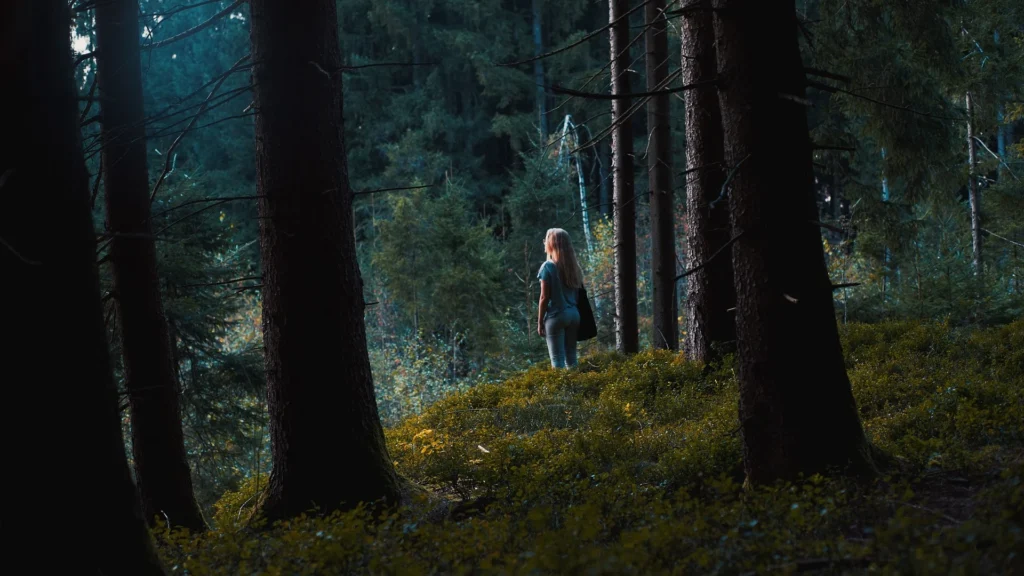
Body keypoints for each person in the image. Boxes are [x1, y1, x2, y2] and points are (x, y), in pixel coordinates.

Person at [537, 228, 584, 368]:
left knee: (557, 361)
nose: (544, 242)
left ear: (551, 244)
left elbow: (544, 297)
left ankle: (561, 384)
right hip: (574, 315)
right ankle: (576, 382)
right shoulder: (574, 267)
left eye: (546, 240)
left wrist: (540, 322)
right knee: (572, 359)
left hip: (556, 315)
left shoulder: (548, 266)